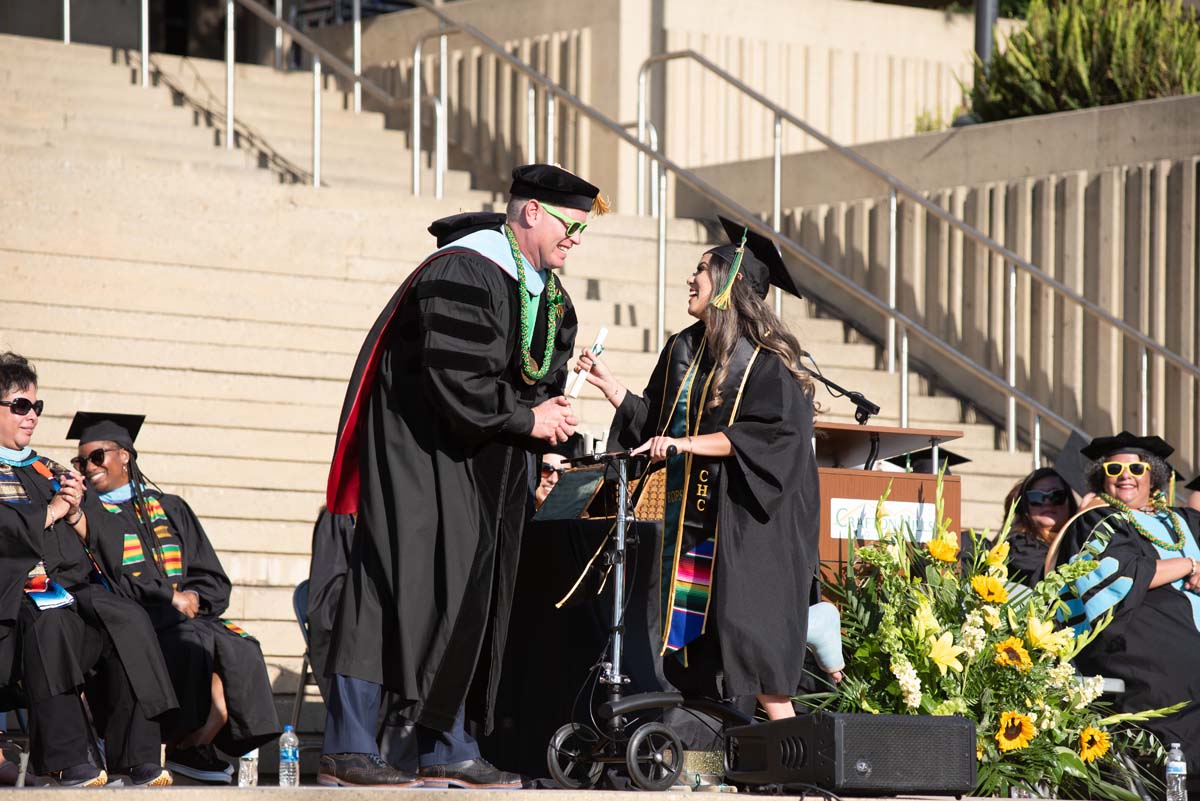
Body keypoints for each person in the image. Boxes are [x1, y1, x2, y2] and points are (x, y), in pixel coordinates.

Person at [320, 165, 605, 787]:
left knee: (469, 595)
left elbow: (539, 386)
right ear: (530, 211)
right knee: (395, 586)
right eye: (571, 225)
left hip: (488, 462)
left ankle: (444, 740)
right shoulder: (463, 268)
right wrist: (528, 420)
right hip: (420, 451)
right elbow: (456, 380)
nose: (577, 239)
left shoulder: (551, 296)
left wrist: (548, 442)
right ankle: (348, 742)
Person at [577, 217, 820, 720]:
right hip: (688, 527)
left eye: (701, 271)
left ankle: (786, 747)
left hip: (745, 528)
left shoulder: (767, 365)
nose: (691, 280)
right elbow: (656, 426)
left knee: (746, 636)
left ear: (729, 287)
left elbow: (765, 440)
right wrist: (611, 386)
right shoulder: (684, 350)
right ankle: (699, 743)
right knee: (688, 644)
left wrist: (686, 443)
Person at [68, 411, 280, 784]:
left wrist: (196, 595)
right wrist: (167, 600)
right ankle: (178, 741)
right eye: (81, 461)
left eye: (96, 456)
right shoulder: (87, 515)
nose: (88, 467)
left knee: (241, 646)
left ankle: (194, 744)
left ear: (124, 456)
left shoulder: (169, 507)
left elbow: (211, 576)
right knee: (191, 641)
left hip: (183, 617)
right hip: (131, 620)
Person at [0, 353, 176, 786]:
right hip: (17, 595)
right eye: (20, 406)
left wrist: (78, 515)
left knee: (129, 618)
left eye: (36, 407)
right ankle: (67, 758)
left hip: (75, 588)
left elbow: (109, 532)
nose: (32, 417)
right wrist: (51, 510)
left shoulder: (51, 469)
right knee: (52, 618)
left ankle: (135, 757)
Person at [1053, 431, 1200, 793]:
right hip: (1139, 655)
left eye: (1136, 467)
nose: (1125, 474)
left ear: (1155, 476)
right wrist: (1187, 565)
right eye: (1115, 467)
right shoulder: (1097, 522)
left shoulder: (1186, 521)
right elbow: (1117, 574)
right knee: (1175, 682)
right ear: (1102, 477)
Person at [997, 467, 1078, 587]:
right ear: (1025, 506)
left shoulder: (1079, 537)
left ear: (1069, 502)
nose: (1047, 502)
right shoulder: (1019, 546)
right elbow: (1048, 575)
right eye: (1036, 497)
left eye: (1056, 495)